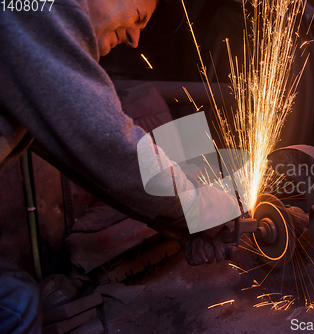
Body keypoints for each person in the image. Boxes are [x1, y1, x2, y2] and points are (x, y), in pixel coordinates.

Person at [0, 0, 238, 332]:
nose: (134, 39)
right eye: (138, 18)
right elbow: (110, 144)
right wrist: (203, 204)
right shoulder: (41, 9)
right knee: (16, 305)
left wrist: (183, 224)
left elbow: (89, 163)